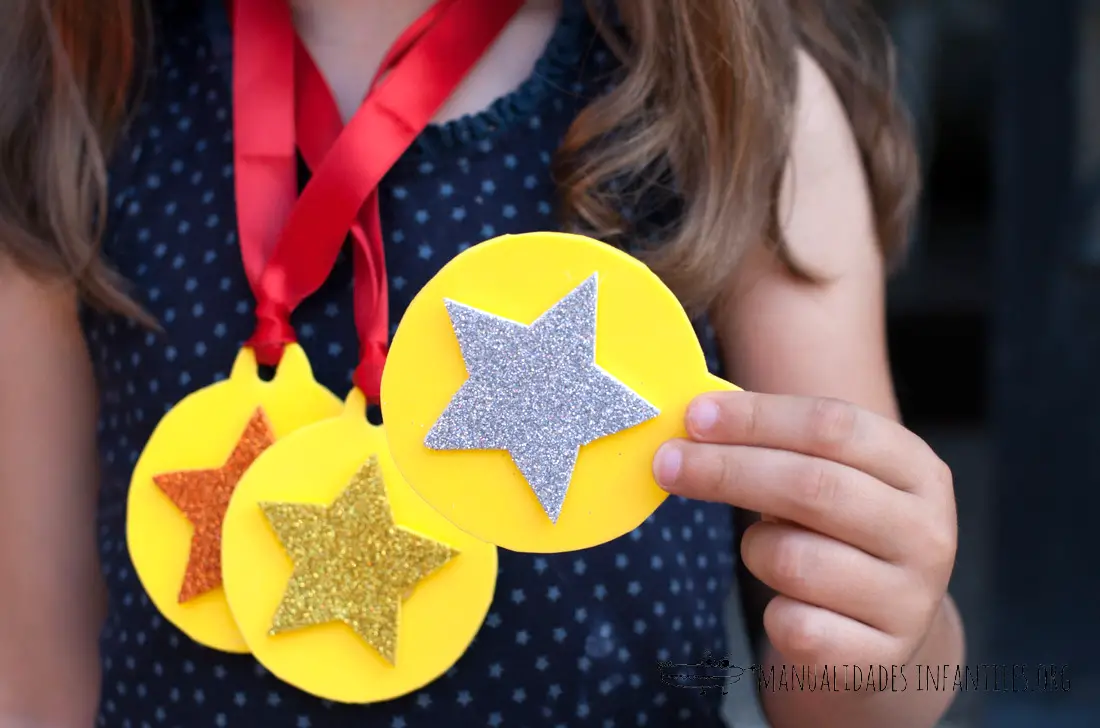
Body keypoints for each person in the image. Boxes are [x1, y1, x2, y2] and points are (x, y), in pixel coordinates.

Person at [0, 0, 963, 726]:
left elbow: (854, 682)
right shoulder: (69, 106)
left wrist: (887, 646)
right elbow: (35, 673)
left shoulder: (745, 105)